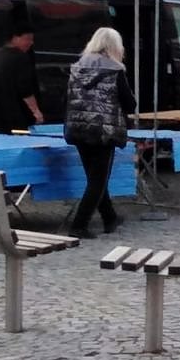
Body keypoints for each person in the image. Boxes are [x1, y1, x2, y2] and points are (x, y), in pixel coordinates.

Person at [64, 28, 135, 239]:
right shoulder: (115, 71)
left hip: (78, 127)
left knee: (94, 177)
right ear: (115, 46)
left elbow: (67, 99)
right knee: (98, 180)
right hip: (104, 130)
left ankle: (109, 217)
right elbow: (130, 103)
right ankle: (79, 224)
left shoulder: (76, 69)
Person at [0, 16, 43, 133]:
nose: (30, 43)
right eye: (27, 39)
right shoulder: (20, 57)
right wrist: (36, 112)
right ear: (15, 38)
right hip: (13, 117)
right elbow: (25, 89)